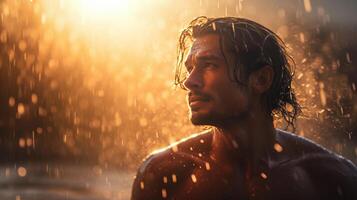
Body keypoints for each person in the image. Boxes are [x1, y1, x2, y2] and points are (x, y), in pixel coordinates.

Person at [131, 16, 357, 200]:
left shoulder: (330, 177)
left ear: (261, 80)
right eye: (190, 69)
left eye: (209, 65)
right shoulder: (163, 173)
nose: (189, 82)